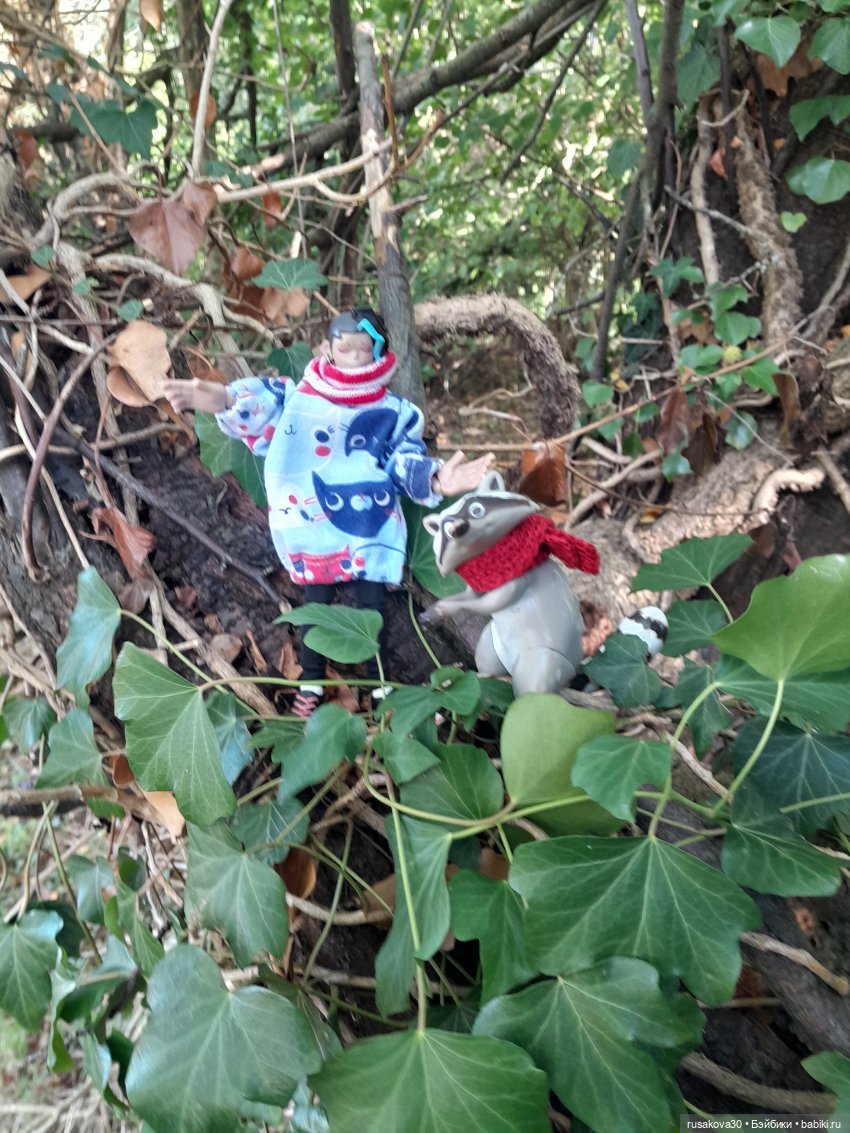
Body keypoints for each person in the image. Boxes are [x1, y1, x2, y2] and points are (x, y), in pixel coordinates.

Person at [163, 307, 494, 717]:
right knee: (314, 609)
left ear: (378, 353)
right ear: (327, 349)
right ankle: (311, 681)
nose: (353, 356)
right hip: (311, 526)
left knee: (371, 612)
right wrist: (220, 398)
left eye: (363, 349)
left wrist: (439, 478)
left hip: (369, 524)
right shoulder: (298, 398)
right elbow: (258, 405)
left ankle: (379, 686)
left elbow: (402, 461)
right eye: (345, 347)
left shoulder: (392, 412)